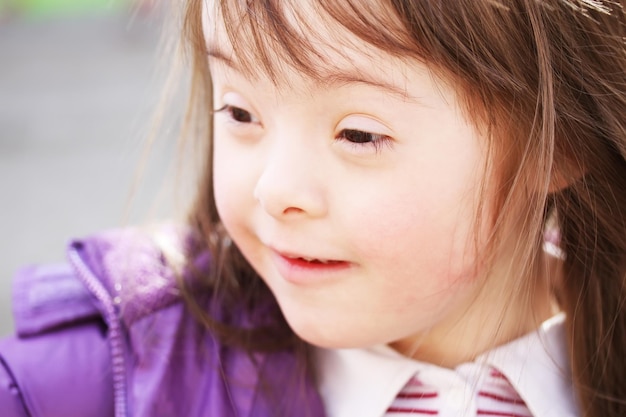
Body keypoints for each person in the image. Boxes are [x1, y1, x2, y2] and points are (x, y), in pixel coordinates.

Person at [1, 0, 625, 416]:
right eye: (242, 112)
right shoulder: (89, 383)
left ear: (560, 143)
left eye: (357, 135)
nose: (275, 190)